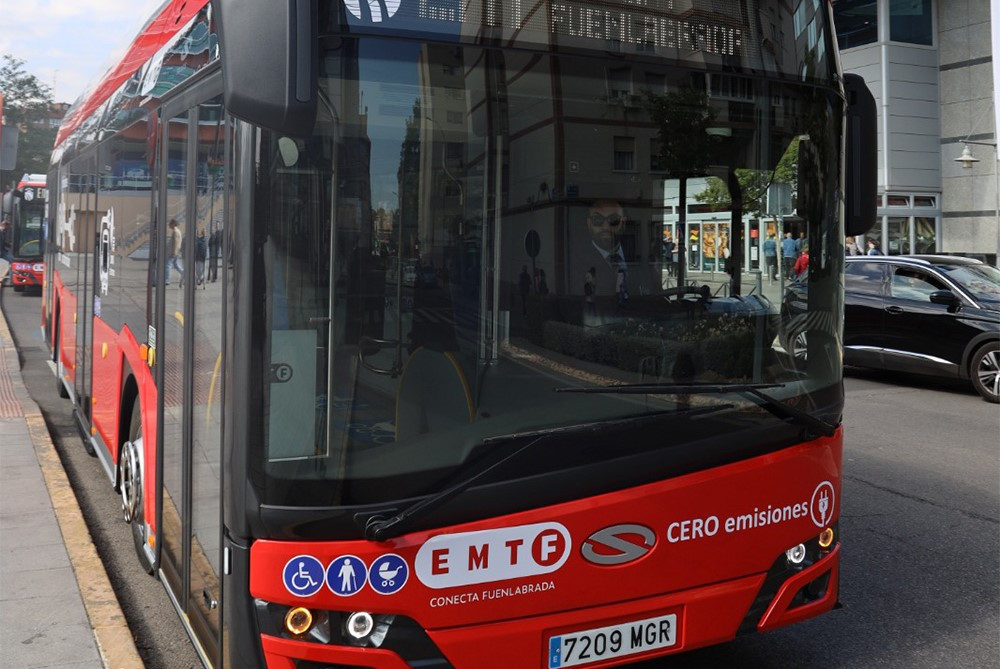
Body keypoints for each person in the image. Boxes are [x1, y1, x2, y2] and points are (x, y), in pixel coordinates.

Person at [166, 219, 183, 285]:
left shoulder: (175, 231)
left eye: (170, 223)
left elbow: (176, 243)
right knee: (176, 265)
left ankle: (167, 280)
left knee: (168, 265)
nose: (169, 225)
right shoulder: (177, 231)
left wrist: (174, 252)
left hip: (172, 252)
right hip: (175, 251)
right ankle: (184, 274)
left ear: (173, 224)